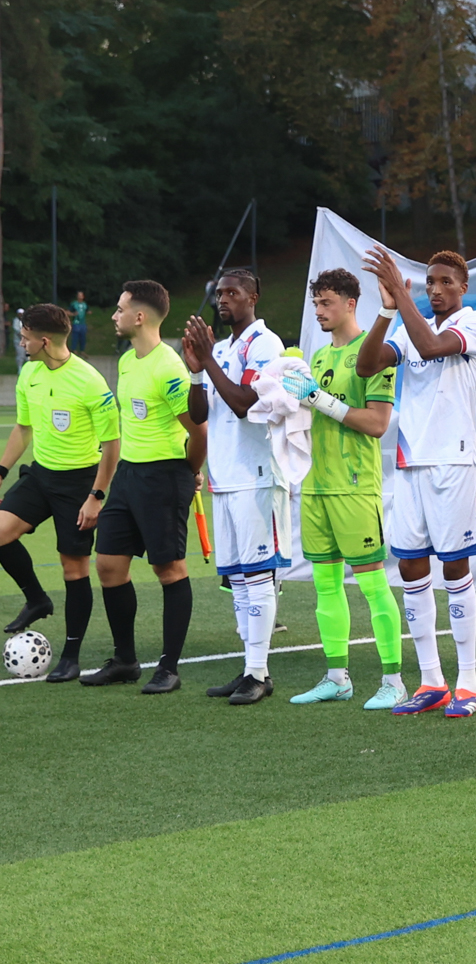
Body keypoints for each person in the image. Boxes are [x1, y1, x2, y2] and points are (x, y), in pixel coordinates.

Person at [357, 247, 476, 717]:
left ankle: (468, 682)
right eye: (430, 282)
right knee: (412, 567)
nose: (436, 289)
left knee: (454, 568)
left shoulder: (475, 322)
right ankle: (432, 680)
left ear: (463, 288)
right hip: (411, 463)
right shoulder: (408, 325)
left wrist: (401, 294)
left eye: (445, 282)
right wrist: (386, 311)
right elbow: (366, 365)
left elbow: (434, 347)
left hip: (454, 463)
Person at [281, 269, 407, 709]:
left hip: (354, 486)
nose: (319, 311)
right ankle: (337, 677)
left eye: (326, 303)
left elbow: (377, 423)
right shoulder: (316, 358)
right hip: (315, 486)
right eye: (316, 303)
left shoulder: (373, 354)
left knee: (373, 586)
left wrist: (319, 399)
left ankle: (394, 680)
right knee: (325, 586)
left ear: (351, 304)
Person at [83, 281, 206, 693]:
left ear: (139, 316)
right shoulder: (126, 361)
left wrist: (189, 471)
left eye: (120, 309)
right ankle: (125, 661)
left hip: (164, 477)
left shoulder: (169, 367)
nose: (114, 316)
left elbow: (199, 429)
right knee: (108, 565)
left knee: (168, 569)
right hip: (129, 476)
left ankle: (168, 668)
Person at [181, 269, 287, 705]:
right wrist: (195, 372)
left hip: (256, 476)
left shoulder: (265, 344)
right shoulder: (221, 348)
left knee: (258, 576)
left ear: (253, 297)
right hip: (224, 478)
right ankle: (250, 669)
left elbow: (245, 404)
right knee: (239, 580)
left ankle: (258, 674)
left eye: (232, 292)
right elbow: (199, 415)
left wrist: (207, 361)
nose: (222, 299)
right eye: (219, 293)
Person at [0, 304, 119, 685]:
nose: (21, 343)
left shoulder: (89, 381)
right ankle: (37, 598)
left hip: (80, 483)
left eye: (25, 337)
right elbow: (23, 428)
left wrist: (96, 495)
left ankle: (70, 656)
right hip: (41, 475)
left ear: (44, 340)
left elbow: (112, 444)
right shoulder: (29, 373)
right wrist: (0, 471)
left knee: (74, 568)